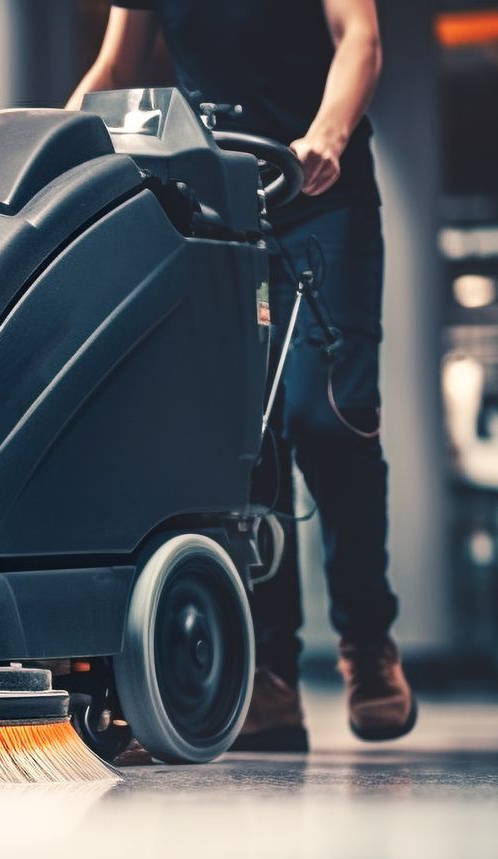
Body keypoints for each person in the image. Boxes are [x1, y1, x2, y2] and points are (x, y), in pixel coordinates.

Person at [69, 0, 414, 752]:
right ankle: (269, 675)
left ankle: (367, 642)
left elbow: (359, 36)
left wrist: (327, 135)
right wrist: (58, 145)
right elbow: (117, 67)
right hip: (216, 201)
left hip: (322, 196)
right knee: (243, 447)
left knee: (328, 417)